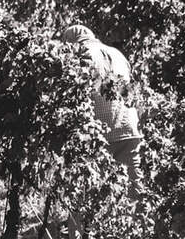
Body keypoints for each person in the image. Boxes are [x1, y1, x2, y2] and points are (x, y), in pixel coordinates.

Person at [61, 23, 145, 177]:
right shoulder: (117, 53)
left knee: (95, 189)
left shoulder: (80, 54)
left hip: (101, 133)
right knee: (133, 184)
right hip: (129, 127)